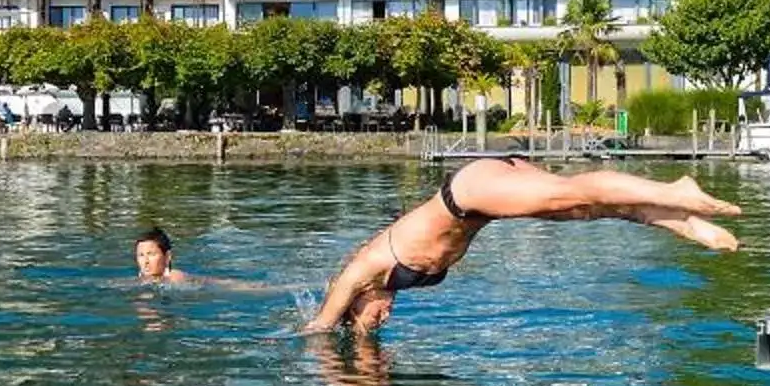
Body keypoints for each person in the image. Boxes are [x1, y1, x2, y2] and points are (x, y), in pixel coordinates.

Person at [305, 156, 739, 336]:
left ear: (356, 298)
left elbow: (319, 328)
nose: (385, 314)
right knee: (583, 210)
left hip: (469, 192)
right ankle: (680, 222)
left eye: (372, 313)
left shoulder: (362, 270)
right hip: (481, 205)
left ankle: (675, 191)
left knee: (571, 195)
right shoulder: (387, 283)